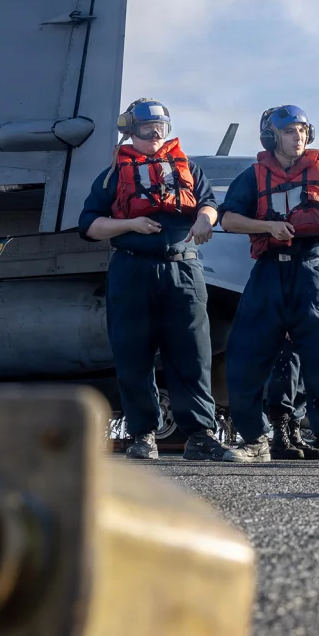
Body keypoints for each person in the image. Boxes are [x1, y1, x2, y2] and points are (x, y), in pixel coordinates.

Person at [217, 105, 319, 464]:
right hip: (269, 273)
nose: (298, 137)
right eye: (290, 132)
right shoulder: (253, 176)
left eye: (303, 130)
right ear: (272, 137)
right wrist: (267, 227)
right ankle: (254, 440)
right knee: (247, 358)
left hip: (310, 273)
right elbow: (229, 218)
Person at [78, 98, 225, 461]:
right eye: (147, 128)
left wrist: (206, 218)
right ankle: (143, 434)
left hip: (184, 268)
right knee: (133, 354)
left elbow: (207, 202)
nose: (156, 134)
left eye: (161, 127)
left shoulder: (188, 166)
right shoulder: (113, 174)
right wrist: (129, 224)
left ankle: (201, 434)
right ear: (131, 131)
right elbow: (90, 226)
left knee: (192, 353)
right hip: (132, 267)